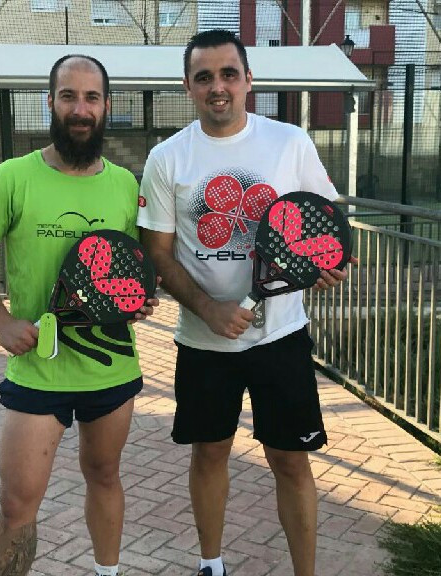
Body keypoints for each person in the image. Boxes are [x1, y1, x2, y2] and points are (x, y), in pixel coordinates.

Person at [137, 30, 355, 576]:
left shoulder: (289, 143)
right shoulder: (167, 157)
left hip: (280, 336)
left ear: (248, 80)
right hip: (203, 342)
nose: (218, 86)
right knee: (210, 452)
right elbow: (158, 253)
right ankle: (211, 563)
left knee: (290, 459)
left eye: (229, 74)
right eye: (204, 77)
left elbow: (324, 224)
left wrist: (328, 264)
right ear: (188, 86)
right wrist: (208, 309)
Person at [0, 54, 158, 576]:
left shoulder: (125, 185)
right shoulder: (13, 177)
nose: (80, 109)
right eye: (69, 96)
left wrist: (136, 301)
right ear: (50, 102)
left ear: (106, 105)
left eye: (91, 98)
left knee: (105, 477)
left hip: (109, 367)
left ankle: (107, 572)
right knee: (17, 504)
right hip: (38, 372)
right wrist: (0, 322)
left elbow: (124, 269)